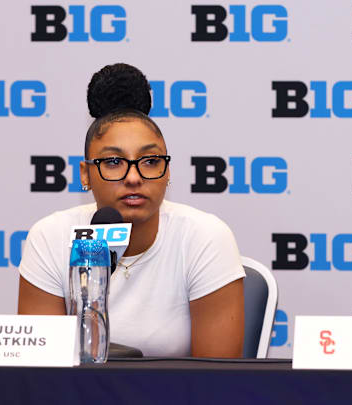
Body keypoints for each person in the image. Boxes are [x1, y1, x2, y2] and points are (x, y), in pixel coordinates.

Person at [18, 63, 245, 358]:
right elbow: (38, 373)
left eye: (150, 161)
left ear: (167, 172)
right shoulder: (51, 238)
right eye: (113, 162)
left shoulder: (205, 238)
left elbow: (217, 384)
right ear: (85, 175)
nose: (134, 177)